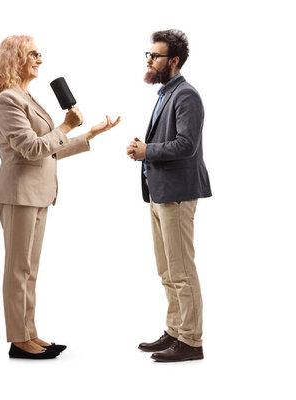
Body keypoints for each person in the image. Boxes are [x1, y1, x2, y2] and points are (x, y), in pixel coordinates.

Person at [0, 35, 120, 360]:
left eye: (40, 54)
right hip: (19, 193)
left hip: (40, 193)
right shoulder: (8, 100)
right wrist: (65, 125)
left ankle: (30, 333)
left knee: (29, 269)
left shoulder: (26, 96)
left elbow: (50, 151)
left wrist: (88, 134)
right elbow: (31, 149)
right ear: (14, 58)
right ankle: (19, 340)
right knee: (18, 269)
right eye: (33, 54)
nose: (40, 59)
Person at [127, 29, 211, 362]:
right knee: (166, 270)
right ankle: (175, 331)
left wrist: (147, 150)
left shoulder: (186, 95)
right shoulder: (165, 93)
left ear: (172, 61)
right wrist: (146, 152)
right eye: (147, 55)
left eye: (155, 56)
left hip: (176, 194)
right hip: (159, 193)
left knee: (181, 270)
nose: (149, 60)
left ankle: (191, 341)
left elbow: (186, 146)